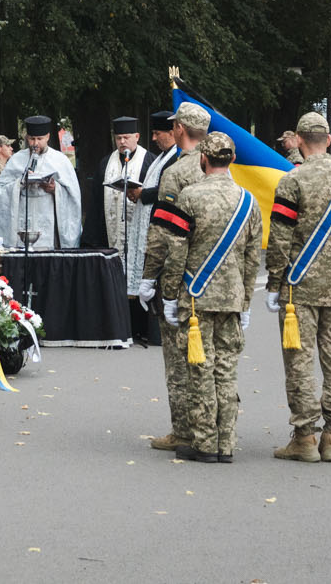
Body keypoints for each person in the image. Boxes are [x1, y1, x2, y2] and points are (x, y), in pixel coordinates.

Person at [150, 131, 260, 464]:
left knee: (199, 368)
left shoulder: (189, 197)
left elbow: (176, 251)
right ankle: (226, 444)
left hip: (195, 299)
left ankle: (204, 442)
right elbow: (253, 257)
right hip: (231, 300)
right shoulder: (248, 200)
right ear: (232, 160)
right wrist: (246, 301)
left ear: (203, 159)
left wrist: (169, 294)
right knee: (226, 371)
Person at [265, 111, 331, 463]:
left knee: (300, 362)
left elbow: (279, 238)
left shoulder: (292, 181)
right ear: (329, 140)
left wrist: (274, 282)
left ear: (301, 141)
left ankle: (305, 437)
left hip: (299, 289)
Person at [139, 103, 207, 452]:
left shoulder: (177, 173)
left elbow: (163, 232)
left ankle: (184, 430)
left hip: (179, 278)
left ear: (179, 129)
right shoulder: (217, 168)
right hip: (211, 276)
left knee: (178, 361)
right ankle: (210, 427)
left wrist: (148, 277)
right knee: (207, 357)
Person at [0, 116, 80, 249]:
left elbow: (73, 194)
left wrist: (55, 189)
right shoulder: (16, 159)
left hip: (48, 217)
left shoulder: (60, 160)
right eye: (32, 139)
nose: (35, 143)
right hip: (24, 216)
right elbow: (0, 190)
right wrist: (20, 184)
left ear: (47, 137)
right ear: (27, 138)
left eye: (39, 139)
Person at [102, 116, 155, 307]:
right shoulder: (106, 163)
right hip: (113, 234)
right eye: (118, 138)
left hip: (139, 233)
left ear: (137, 137)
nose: (122, 142)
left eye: (126, 137)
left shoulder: (149, 161)